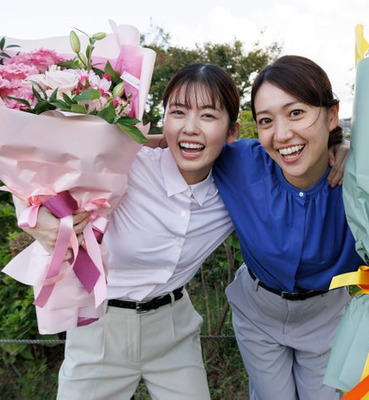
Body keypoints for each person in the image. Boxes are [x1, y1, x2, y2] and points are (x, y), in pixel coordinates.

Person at [211, 55, 369, 400]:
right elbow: (181, 147)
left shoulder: (367, 184)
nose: (281, 134)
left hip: (326, 315)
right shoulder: (240, 164)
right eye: (266, 120)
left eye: (296, 113)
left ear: (331, 115)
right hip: (257, 311)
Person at [15, 63, 240, 400]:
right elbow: (29, 174)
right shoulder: (126, 165)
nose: (190, 128)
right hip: (101, 328)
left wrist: (338, 148)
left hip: (174, 332)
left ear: (232, 131)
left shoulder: (238, 189)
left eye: (208, 116)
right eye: (178, 112)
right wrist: (34, 221)